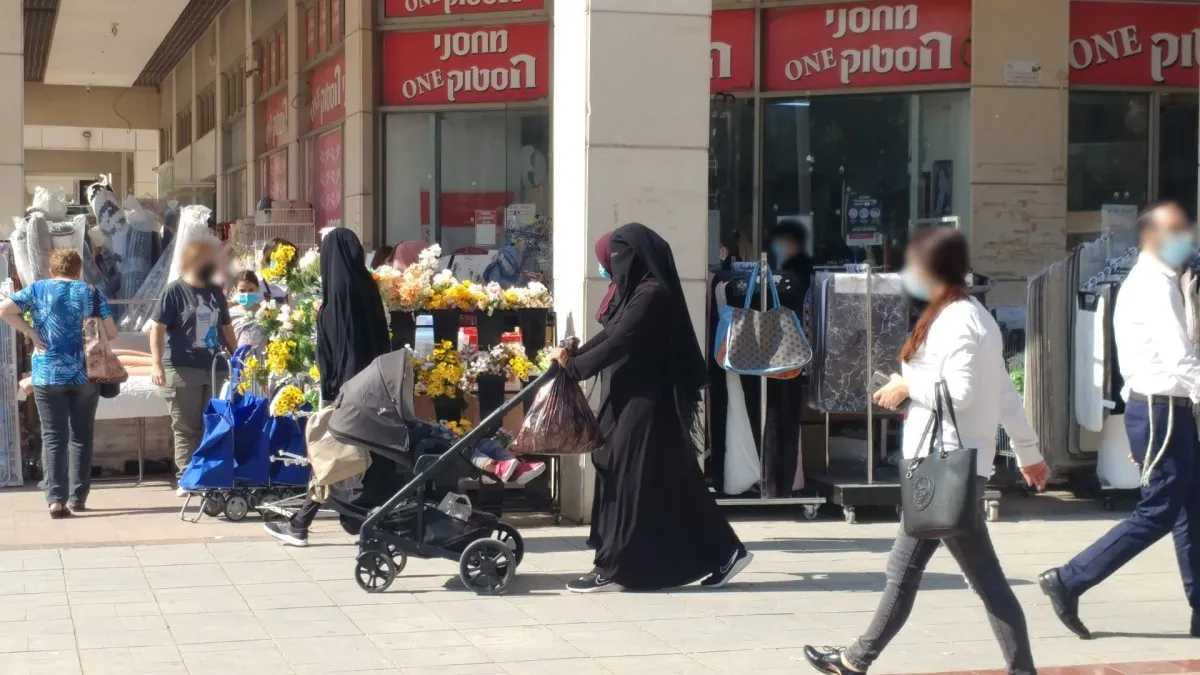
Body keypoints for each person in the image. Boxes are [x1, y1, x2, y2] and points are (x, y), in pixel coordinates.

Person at [801, 227, 1049, 675]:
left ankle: (855, 660)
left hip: (947, 469)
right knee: (985, 581)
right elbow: (1003, 398)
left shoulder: (960, 320)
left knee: (905, 569)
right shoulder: (960, 314)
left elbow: (967, 392)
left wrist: (905, 386)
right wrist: (1029, 451)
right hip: (951, 466)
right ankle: (1020, 670)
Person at [549, 222, 751, 593]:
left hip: (647, 402)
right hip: (630, 397)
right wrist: (573, 358)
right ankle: (726, 551)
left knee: (623, 474)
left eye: (615, 258)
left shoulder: (652, 294)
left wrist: (574, 368)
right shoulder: (636, 292)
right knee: (677, 481)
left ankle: (613, 566)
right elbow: (609, 334)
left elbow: (621, 340)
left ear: (634, 257)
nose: (610, 266)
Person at [1040, 200, 1200, 641]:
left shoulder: (1160, 279)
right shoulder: (1153, 284)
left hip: (1160, 408)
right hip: (1162, 408)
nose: (1187, 240)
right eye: (1178, 231)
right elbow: (1180, 360)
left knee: (1191, 510)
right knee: (1158, 513)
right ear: (1152, 236)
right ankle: (1071, 579)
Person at [265, 228, 391, 547]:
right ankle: (319, 521)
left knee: (330, 454)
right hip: (376, 389)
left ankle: (301, 523)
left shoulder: (334, 302)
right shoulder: (369, 291)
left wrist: (336, 393)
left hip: (347, 393)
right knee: (360, 457)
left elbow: (335, 357)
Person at [0, 250, 116, 517]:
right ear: (78, 271)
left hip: (47, 374)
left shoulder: (38, 289)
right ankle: (77, 498)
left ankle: (55, 500)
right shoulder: (91, 291)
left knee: (53, 437)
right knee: (81, 437)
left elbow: (5, 310)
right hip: (85, 373)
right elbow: (111, 332)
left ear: (51, 270)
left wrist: (30, 332)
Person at [150, 239, 237, 494]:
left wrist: (237, 355)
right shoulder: (174, 291)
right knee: (186, 425)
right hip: (181, 366)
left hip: (215, 367)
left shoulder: (215, 292)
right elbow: (157, 328)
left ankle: (211, 473)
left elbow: (226, 328)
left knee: (216, 422)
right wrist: (156, 364)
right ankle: (187, 476)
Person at [228, 270, 267, 351]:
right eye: (242, 291)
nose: (246, 294)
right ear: (235, 290)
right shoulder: (229, 315)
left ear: (258, 289)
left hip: (263, 361)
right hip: (239, 361)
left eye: (251, 290)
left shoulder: (267, 313)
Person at [259, 237, 294, 303]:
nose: (283, 264)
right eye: (277, 258)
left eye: (287, 258)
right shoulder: (258, 284)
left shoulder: (296, 285)